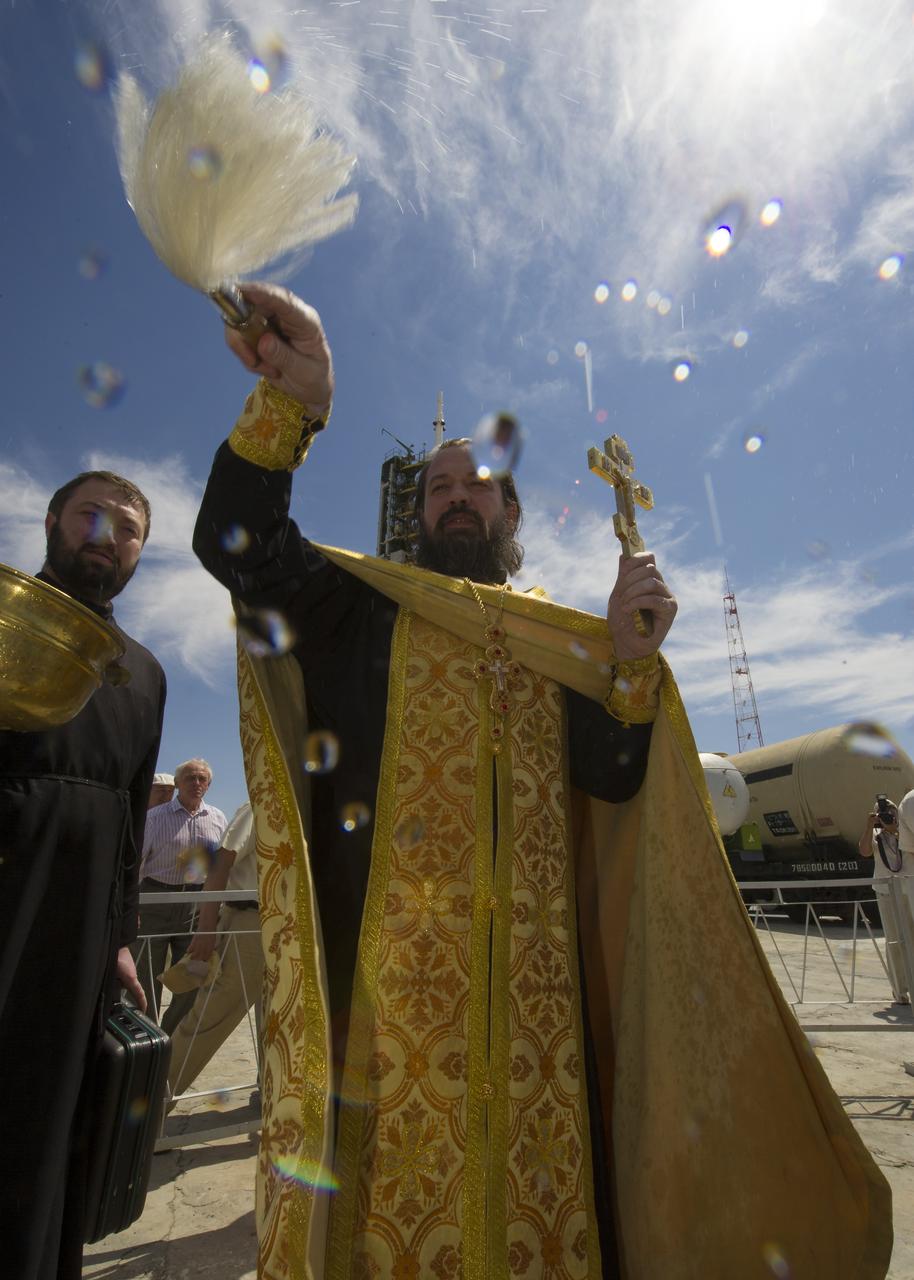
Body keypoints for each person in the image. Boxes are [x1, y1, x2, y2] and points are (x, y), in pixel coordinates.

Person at [193, 284, 892, 1279]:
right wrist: (291, 403)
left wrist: (627, 663)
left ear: (509, 511)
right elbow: (238, 544)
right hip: (383, 1020)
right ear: (415, 510)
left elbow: (609, 777)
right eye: (438, 487)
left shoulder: (545, 645)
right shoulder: (354, 611)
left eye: (477, 485)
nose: (456, 497)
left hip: (539, 1032)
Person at [0, 469, 166, 1280]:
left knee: (49, 1127)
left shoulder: (144, 672)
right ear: (51, 522)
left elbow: (134, 817)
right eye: (89, 516)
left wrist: (124, 943)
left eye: (127, 528)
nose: (106, 535)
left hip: (81, 943)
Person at [166, 801, 263, 1099]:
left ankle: (272, 1100)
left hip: (284, 926)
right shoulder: (260, 805)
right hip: (250, 922)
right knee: (209, 1019)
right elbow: (222, 863)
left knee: (277, 1021)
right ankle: (148, 1112)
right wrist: (206, 928)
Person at [133, 758, 226, 1033]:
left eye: (202, 779)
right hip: (154, 901)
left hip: (196, 905)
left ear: (208, 785)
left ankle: (170, 1037)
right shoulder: (155, 817)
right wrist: (134, 905)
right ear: (178, 784)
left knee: (191, 977)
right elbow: (136, 863)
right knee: (146, 978)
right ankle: (147, 1039)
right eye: (190, 778)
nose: (196, 784)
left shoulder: (218, 819)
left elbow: (219, 868)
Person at [858, 798, 912, 1004]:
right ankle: (900, 990)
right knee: (894, 941)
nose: (889, 815)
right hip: (887, 892)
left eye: (891, 811)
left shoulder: (906, 830)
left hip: (909, 889)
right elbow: (864, 851)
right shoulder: (874, 835)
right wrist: (869, 827)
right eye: (884, 813)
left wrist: (895, 830)